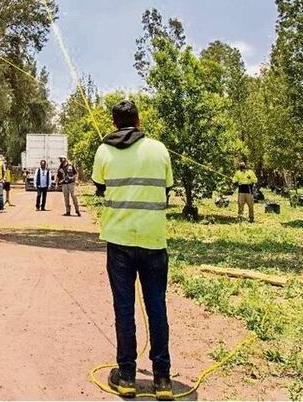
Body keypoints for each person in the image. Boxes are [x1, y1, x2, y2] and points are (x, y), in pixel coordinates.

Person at [92, 99, 174, 400]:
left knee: (124, 309)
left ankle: (127, 376)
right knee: (157, 308)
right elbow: (166, 189)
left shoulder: (104, 149)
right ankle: (162, 379)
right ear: (139, 121)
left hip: (119, 242)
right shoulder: (159, 149)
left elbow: (99, 186)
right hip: (153, 241)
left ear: (114, 123)